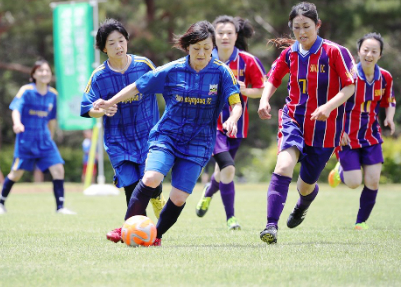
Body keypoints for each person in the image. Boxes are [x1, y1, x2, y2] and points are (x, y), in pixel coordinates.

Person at [95, 21, 242, 246]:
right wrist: (110, 102)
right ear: (187, 48)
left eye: (206, 47)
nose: (201, 53)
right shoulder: (172, 70)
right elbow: (137, 86)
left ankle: (156, 235)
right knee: (151, 178)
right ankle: (126, 228)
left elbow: (236, 102)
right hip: (168, 136)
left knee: (179, 197)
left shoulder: (222, 72)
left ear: (212, 46)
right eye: (196, 48)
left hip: (199, 142)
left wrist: (232, 118)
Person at [258, 2, 356, 245]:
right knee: (283, 167)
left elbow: (350, 86)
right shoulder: (290, 53)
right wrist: (263, 99)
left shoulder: (335, 52)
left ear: (318, 25)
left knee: (305, 186)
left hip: (325, 129)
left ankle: (302, 205)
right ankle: (271, 226)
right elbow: (273, 78)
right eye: (296, 27)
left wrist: (328, 106)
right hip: (294, 120)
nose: (301, 32)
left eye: (307, 27)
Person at [80, 18, 164, 243]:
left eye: (122, 40)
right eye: (112, 42)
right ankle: (146, 233)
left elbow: (165, 86)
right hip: (118, 139)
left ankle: (155, 201)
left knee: (150, 181)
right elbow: (87, 108)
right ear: (103, 48)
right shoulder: (98, 76)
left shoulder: (143, 65)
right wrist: (101, 111)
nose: (119, 46)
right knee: (130, 184)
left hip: (148, 135)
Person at [195, 15, 266, 230]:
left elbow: (262, 90)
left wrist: (244, 90)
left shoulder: (248, 61)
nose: (225, 37)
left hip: (237, 125)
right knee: (228, 168)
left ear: (236, 36)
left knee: (223, 171)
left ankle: (209, 191)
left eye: (229, 33)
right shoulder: (204, 58)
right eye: (220, 33)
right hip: (210, 126)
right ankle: (231, 218)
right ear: (213, 37)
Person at [327, 33, 396, 230]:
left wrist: (389, 117)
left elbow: (390, 100)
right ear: (358, 52)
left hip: (371, 135)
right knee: (354, 183)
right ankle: (340, 169)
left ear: (380, 55)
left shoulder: (385, 77)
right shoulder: (349, 76)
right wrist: (338, 130)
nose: (369, 54)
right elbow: (333, 104)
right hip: (347, 137)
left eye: (374, 51)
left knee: (373, 181)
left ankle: (361, 222)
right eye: (365, 50)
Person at [0, 59, 76, 215]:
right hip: (27, 138)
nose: (44, 73)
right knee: (16, 173)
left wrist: (50, 136)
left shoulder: (53, 94)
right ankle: (0, 203)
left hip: (44, 139)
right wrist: (17, 124)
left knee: (58, 169)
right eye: (41, 70)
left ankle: (60, 207)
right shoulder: (26, 91)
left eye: (47, 71)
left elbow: (51, 119)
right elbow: (16, 109)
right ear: (34, 74)